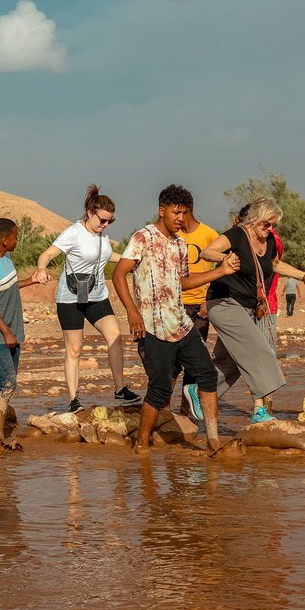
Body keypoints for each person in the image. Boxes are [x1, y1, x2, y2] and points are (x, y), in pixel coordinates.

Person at [112, 184, 240, 453]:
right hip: (153, 327)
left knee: (206, 374)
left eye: (184, 213)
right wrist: (132, 312)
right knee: (160, 389)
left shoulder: (181, 244)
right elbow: (118, 274)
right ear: (162, 210)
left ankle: (213, 439)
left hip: (182, 324)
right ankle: (142, 441)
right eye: (176, 212)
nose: (181, 218)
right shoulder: (142, 238)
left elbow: (183, 281)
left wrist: (220, 272)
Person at [201, 197, 305, 424]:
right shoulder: (237, 234)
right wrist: (226, 258)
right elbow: (207, 252)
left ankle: (201, 393)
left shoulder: (270, 242)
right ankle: (260, 412)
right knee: (260, 350)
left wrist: (303, 276)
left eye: (274, 225)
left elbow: (274, 265)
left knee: (233, 363)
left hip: (248, 306)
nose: (270, 229)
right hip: (224, 302)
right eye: (266, 224)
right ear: (254, 219)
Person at [37, 185, 141, 413]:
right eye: (102, 220)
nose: (105, 225)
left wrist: (130, 261)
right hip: (70, 299)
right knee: (74, 350)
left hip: (97, 296)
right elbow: (47, 254)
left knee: (114, 336)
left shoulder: (103, 235)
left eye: (109, 221)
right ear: (89, 212)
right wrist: (42, 269)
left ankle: (120, 389)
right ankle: (74, 399)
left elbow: (107, 255)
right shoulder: (73, 233)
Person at [0, 218, 45, 443]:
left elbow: (9, 287)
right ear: (4, 240)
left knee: (8, 379)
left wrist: (31, 281)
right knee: (7, 380)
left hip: (11, 330)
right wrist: (6, 332)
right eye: (15, 236)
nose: (17, 240)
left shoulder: (6, 260)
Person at [173, 191, 219, 417]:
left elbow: (222, 270)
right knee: (171, 360)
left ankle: (184, 414)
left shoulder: (209, 234)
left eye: (179, 211)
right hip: (175, 305)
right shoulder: (171, 235)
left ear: (186, 210)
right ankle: (163, 410)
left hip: (199, 307)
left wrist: (208, 301)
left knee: (194, 358)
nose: (177, 217)